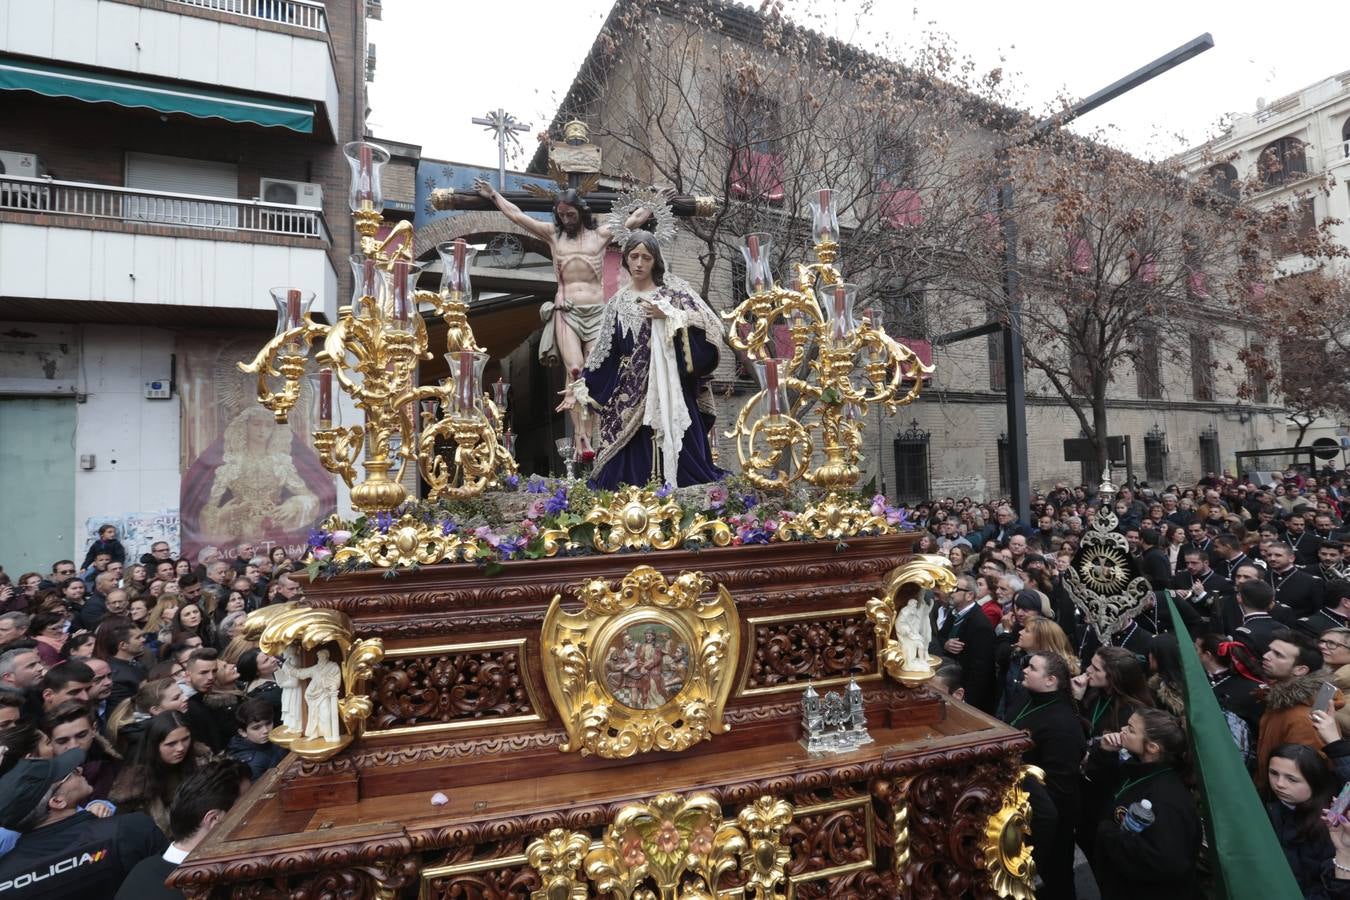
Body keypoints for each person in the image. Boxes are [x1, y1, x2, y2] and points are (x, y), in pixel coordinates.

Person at [472, 178, 655, 455]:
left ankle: (590, 436)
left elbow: (636, 218)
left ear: (581, 212)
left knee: (593, 373)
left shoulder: (601, 234)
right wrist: (494, 195)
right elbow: (518, 216)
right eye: (561, 215)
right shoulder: (552, 235)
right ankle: (580, 435)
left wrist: (655, 201)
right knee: (576, 370)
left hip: (597, 313)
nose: (566, 219)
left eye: (571, 214)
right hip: (567, 311)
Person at [572, 232, 726, 488]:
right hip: (631, 394)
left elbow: (710, 325)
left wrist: (668, 314)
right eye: (634, 256)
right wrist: (581, 388)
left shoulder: (673, 293)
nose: (640, 263)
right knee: (615, 473)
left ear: (655, 261)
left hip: (671, 389)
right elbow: (605, 354)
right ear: (625, 260)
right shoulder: (618, 303)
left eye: (646, 257)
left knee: (688, 464)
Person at [0, 748, 165, 898]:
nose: (79, 769)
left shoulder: (5, 880)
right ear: (57, 801)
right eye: (69, 773)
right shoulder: (130, 830)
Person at [1091, 709, 1201, 900]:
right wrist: (1105, 753)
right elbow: (1103, 786)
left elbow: (1167, 862)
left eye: (1131, 730)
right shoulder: (1136, 769)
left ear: (1152, 747)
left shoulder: (1167, 799)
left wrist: (1109, 833)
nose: (1123, 729)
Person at [114, 759, 251, 900]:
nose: (252, 814)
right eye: (246, 806)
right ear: (213, 819)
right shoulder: (206, 889)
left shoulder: (143, 868)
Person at [1009, 652, 1084, 900]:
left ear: (1051, 680)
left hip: (1045, 816)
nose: (1025, 670)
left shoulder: (1062, 724)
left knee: (1055, 880)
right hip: (1020, 803)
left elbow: (1057, 786)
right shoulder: (1029, 697)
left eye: (1032, 668)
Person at [1257, 631, 1343, 791]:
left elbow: (1307, 778)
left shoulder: (1304, 719)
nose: (1266, 656)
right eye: (1269, 650)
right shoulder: (1280, 701)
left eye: (1278, 655)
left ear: (1300, 670)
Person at [1265, 742, 1339, 896]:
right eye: (1273, 773)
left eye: (1292, 779)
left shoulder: (1331, 824)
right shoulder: (1265, 806)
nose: (1279, 784)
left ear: (1314, 781)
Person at [109, 711, 198, 834]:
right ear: (155, 746)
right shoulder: (135, 787)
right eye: (171, 744)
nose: (181, 748)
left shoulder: (200, 763)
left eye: (185, 739)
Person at [932, 574, 996, 713]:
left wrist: (968, 703)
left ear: (969, 595)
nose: (949, 592)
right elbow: (940, 637)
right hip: (950, 679)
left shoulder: (980, 624)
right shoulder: (954, 613)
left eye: (955, 589)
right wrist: (945, 644)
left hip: (965, 691)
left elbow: (981, 670)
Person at [227, 698, 286, 780]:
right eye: (256, 728)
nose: (265, 730)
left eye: (268, 723)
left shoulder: (277, 737)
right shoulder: (252, 764)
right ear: (242, 732)